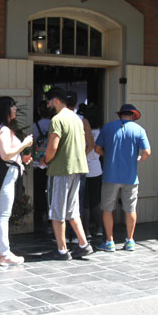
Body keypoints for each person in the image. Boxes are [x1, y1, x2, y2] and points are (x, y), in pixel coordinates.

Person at [39, 87, 93, 260]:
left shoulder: (57, 119)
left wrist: (44, 160)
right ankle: (84, 244)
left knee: (57, 211)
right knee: (72, 210)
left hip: (60, 170)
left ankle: (62, 250)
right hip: (77, 169)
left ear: (55, 100)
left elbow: (52, 148)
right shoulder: (77, 119)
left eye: (48, 101)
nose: (48, 105)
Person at [95, 103, 151, 252]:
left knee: (107, 209)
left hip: (110, 176)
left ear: (120, 114)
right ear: (133, 116)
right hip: (130, 177)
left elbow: (97, 148)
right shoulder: (139, 130)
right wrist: (139, 158)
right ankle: (130, 240)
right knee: (130, 209)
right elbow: (147, 152)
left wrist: (107, 155)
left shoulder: (107, 127)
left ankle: (109, 242)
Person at [0, 97, 33, 266]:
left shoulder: (2, 129)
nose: (15, 108)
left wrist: (21, 158)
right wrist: (23, 145)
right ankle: (5, 253)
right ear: (5, 110)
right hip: (5, 173)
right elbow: (5, 154)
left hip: (8, 171)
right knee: (2, 215)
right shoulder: (3, 130)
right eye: (12, 106)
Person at [65, 91, 94, 244]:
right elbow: (91, 144)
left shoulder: (59, 119)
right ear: (76, 104)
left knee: (62, 200)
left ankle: (65, 235)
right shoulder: (83, 120)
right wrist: (81, 155)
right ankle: (78, 235)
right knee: (79, 200)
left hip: (64, 166)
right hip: (80, 166)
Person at [83, 106, 104, 237]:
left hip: (84, 169)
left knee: (84, 202)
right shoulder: (101, 133)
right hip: (97, 169)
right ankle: (99, 227)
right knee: (96, 201)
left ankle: (86, 231)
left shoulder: (84, 133)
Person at [32, 100, 51, 233]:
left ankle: (39, 214)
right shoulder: (53, 124)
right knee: (51, 190)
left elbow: (31, 144)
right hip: (52, 162)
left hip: (37, 162)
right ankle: (51, 215)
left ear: (38, 112)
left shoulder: (35, 126)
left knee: (38, 190)